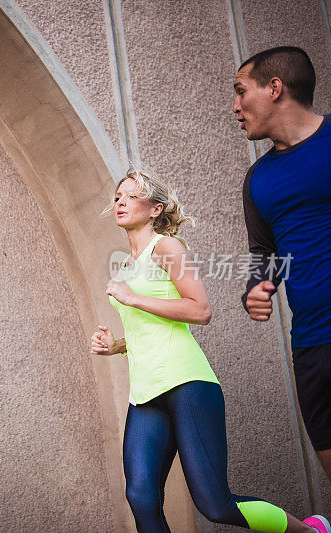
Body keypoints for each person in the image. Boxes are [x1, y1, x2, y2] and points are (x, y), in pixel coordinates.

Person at [90, 169, 327, 533]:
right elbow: (147, 331)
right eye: (118, 196)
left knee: (215, 504)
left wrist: (133, 297)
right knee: (140, 496)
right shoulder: (124, 266)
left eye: (131, 195)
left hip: (187, 384)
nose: (120, 201)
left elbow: (200, 310)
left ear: (154, 209)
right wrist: (115, 346)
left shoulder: (167, 248)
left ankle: (310, 531)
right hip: (145, 392)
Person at [233, 46, 331, 487]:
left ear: (275, 88)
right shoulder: (258, 180)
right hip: (311, 346)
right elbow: (264, 254)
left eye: (240, 91)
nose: (235, 107)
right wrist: (255, 287)